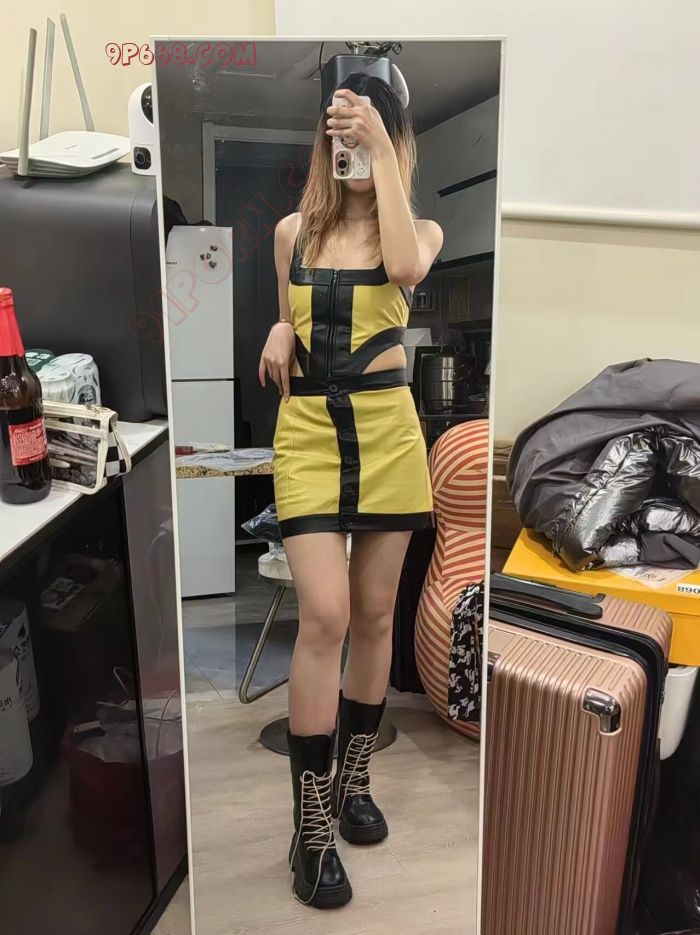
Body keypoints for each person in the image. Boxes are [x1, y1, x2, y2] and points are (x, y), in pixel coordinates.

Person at [258, 72, 443, 910]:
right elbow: (292, 317)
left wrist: (383, 154)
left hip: (388, 437)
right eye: (341, 135)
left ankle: (353, 780)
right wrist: (278, 325)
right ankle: (310, 827)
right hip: (307, 435)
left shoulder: (420, 229)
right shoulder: (291, 231)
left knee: (373, 616)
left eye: (366, 134)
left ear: (393, 143)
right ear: (324, 143)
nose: (353, 150)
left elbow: (403, 268)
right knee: (326, 615)